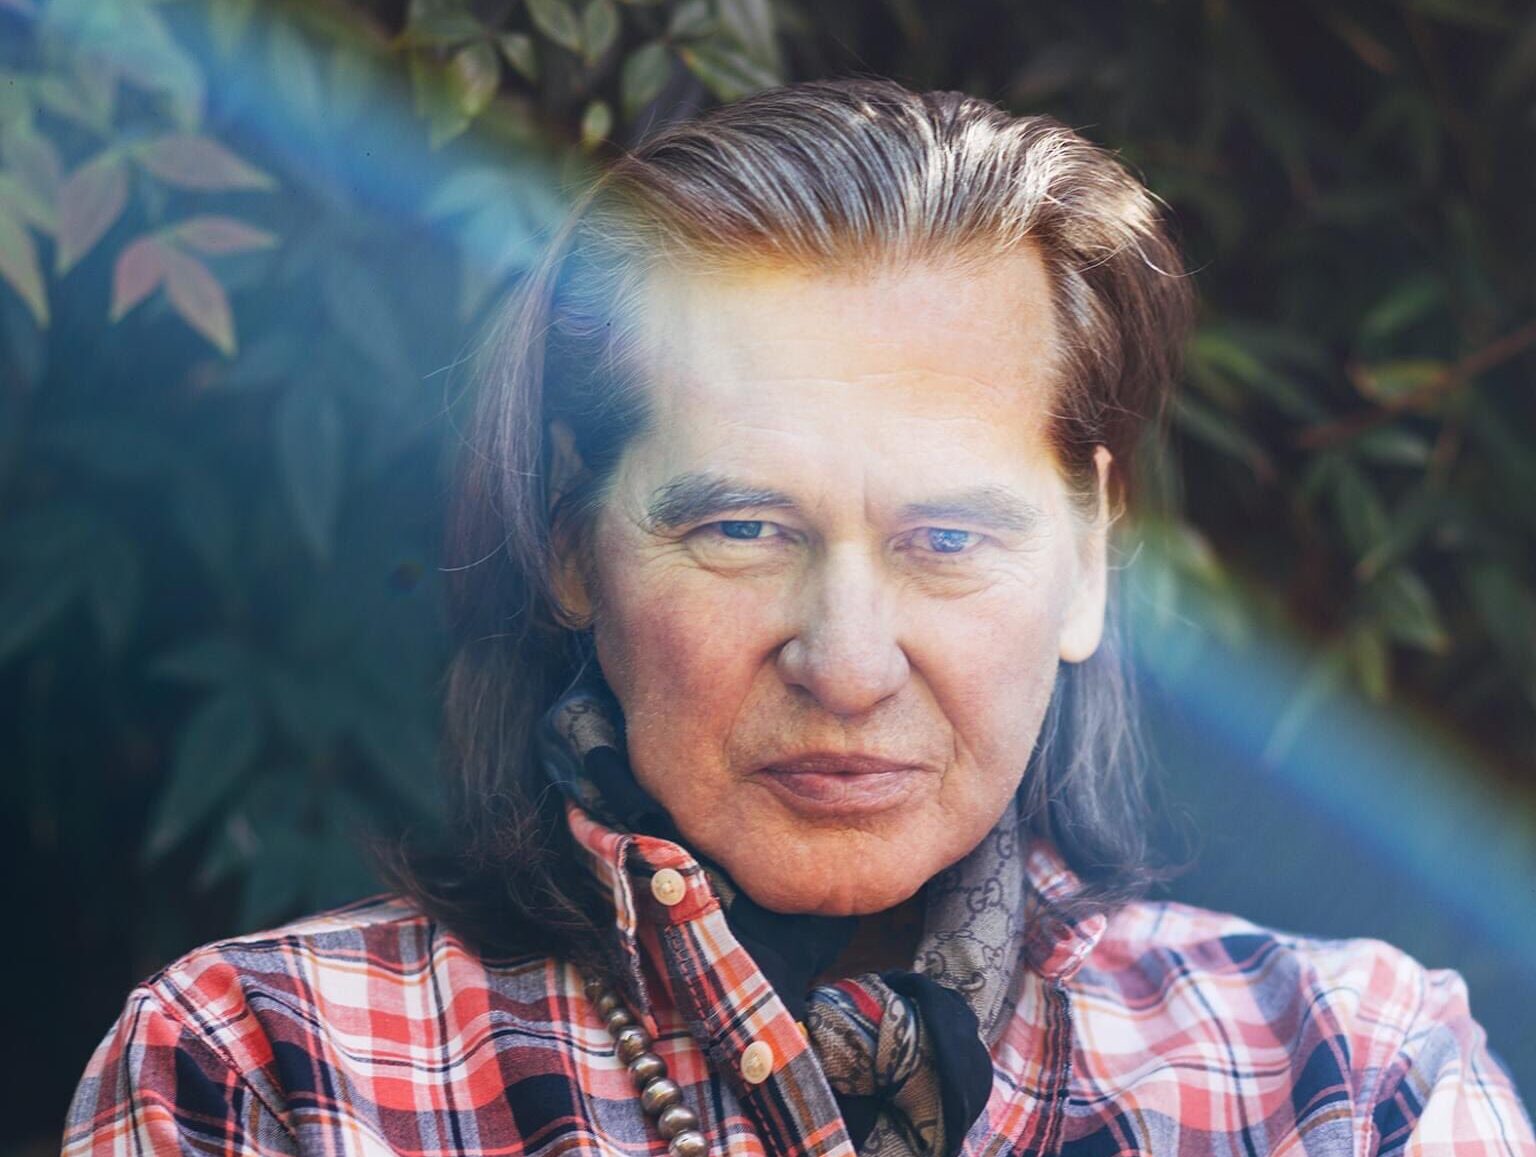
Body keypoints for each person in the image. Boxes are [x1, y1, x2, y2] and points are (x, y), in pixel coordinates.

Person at [63, 78, 1533, 1157]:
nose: (846, 663)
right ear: (572, 544)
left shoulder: (1353, 1082)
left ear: (1088, 561)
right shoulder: (265, 1076)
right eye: (742, 530)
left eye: (947, 539)